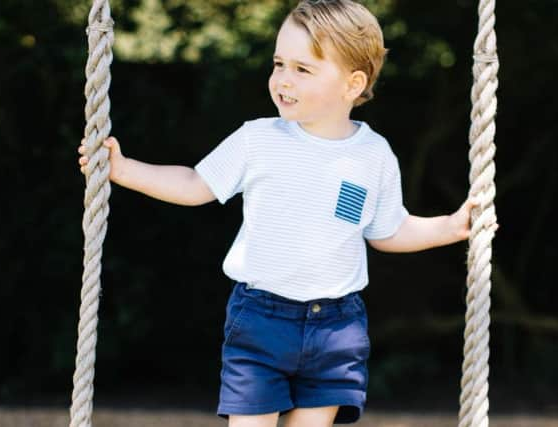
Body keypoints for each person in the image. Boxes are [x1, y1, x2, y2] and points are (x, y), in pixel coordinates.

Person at [78, 1, 497, 425]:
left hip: (336, 327)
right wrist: (123, 169)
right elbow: (194, 185)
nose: (282, 79)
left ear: (353, 84)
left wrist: (451, 226)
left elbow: (388, 230)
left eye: (303, 69)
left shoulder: (373, 156)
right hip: (260, 318)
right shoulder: (258, 140)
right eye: (279, 64)